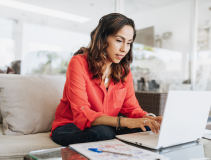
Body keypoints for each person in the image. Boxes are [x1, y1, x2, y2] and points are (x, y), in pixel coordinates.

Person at [50, 13, 163, 146]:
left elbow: (132, 109)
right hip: (69, 127)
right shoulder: (78, 63)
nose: (124, 49)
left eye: (129, 43)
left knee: (148, 128)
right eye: (119, 40)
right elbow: (82, 113)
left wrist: (150, 118)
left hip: (107, 126)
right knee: (104, 133)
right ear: (103, 38)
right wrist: (124, 122)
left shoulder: (124, 72)